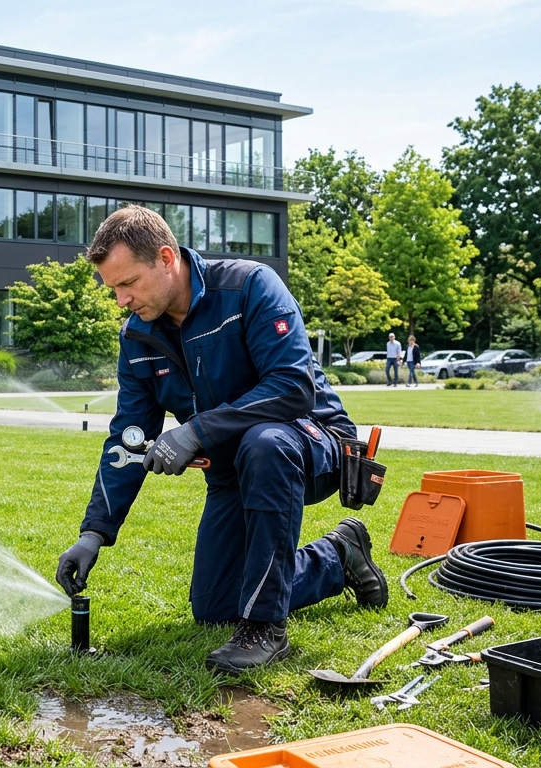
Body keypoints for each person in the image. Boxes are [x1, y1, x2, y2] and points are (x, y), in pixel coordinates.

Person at [55, 206, 388, 674]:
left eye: (127, 284)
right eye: (113, 289)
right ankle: (339, 556)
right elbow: (129, 436)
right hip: (234, 469)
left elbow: (293, 386)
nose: (120, 301)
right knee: (215, 606)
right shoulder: (138, 337)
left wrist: (196, 430)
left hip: (311, 444)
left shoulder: (250, 286)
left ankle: (265, 629)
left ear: (166, 258)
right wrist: (94, 533)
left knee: (265, 442)